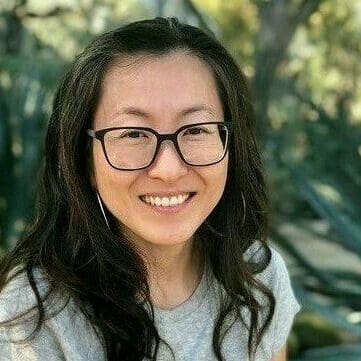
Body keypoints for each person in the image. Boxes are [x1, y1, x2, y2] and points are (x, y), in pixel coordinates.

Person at [0, 17, 301, 361]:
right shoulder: (33, 317)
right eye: (133, 134)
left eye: (196, 129)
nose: (168, 169)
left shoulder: (257, 277)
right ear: (85, 161)